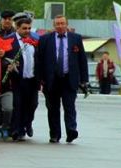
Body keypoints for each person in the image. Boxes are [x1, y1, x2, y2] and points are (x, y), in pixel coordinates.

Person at [37, 15, 88, 143]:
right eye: (57, 24)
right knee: (53, 108)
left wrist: (84, 79)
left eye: (62, 23)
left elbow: (82, 59)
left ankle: (71, 130)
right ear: (54, 25)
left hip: (69, 79)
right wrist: (40, 79)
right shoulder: (45, 39)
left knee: (69, 106)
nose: (60, 26)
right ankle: (55, 134)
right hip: (51, 80)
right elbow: (39, 61)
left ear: (67, 24)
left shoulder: (75, 38)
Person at [6, 16, 39, 141]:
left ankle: (27, 123)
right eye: (24, 28)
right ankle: (16, 130)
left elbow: (38, 59)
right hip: (17, 79)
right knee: (17, 105)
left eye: (29, 28)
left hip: (31, 79)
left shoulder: (34, 40)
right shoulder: (9, 40)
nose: (27, 30)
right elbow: (3, 57)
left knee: (32, 104)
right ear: (17, 28)